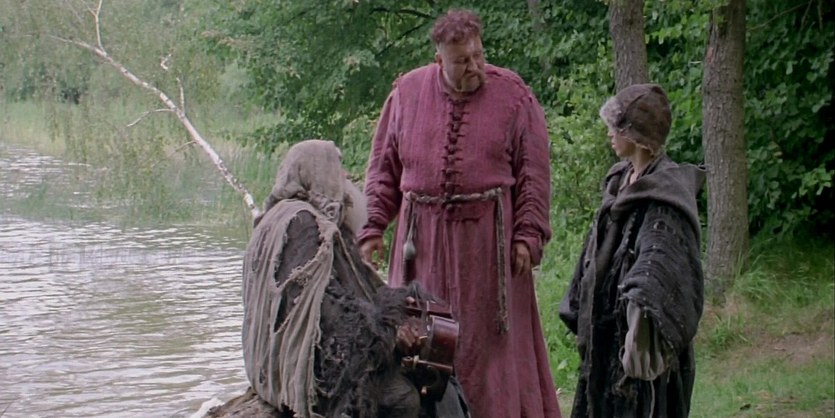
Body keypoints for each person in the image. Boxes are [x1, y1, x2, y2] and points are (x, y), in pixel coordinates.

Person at [358, 9, 560, 418]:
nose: (474, 66)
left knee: (489, 353)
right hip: (421, 246)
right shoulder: (407, 94)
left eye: (478, 55)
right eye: (462, 61)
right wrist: (373, 225)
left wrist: (528, 234)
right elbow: (383, 166)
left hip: (487, 249)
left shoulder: (514, 96)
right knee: (419, 341)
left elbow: (535, 173)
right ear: (439, 61)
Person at [238, 139, 469, 418]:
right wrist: (389, 335)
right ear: (317, 171)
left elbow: (354, 293)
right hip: (306, 371)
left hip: (275, 365)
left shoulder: (282, 219)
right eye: (338, 168)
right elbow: (329, 312)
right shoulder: (303, 224)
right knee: (405, 398)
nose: (345, 176)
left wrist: (395, 316)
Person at [558, 84, 705, 418]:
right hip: (605, 333)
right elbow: (595, 249)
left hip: (638, 341)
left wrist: (639, 305)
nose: (610, 133)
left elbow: (660, 263)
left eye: (616, 127)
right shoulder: (620, 181)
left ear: (636, 135)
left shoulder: (666, 193)